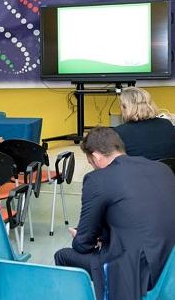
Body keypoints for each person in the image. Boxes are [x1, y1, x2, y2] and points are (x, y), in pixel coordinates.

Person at [54, 127, 175, 300]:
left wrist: (81, 236)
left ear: (95, 157)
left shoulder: (97, 179)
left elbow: (82, 244)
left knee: (63, 256)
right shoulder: (162, 169)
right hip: (170, 265)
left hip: (141, 272)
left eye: (90, 162)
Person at [113, 87, 175, 160]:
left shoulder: (119, 132)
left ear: (125, 107)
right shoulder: (166, 124)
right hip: (166, 170)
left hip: (137, 171)